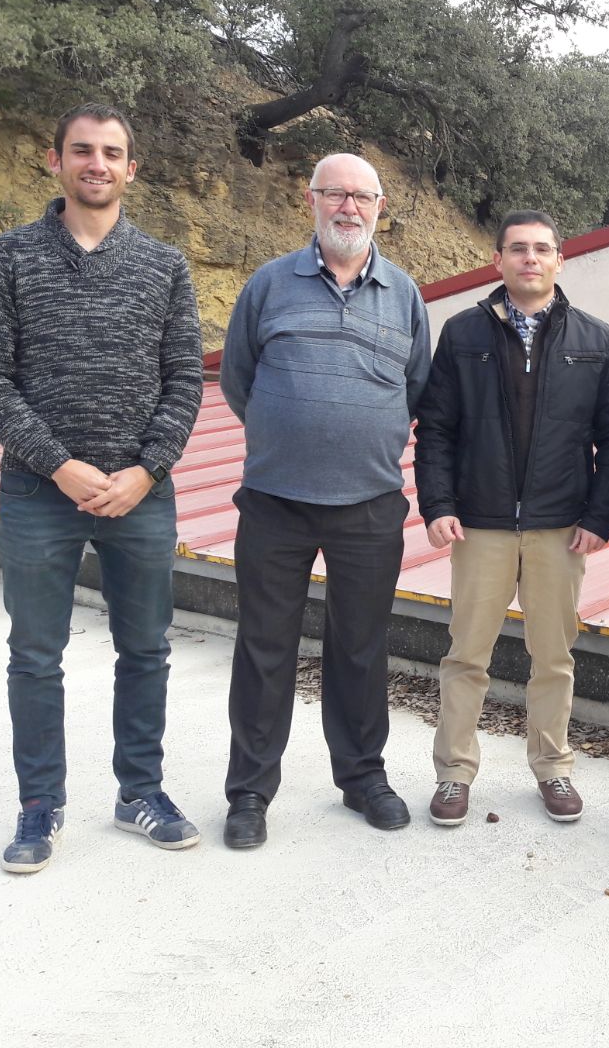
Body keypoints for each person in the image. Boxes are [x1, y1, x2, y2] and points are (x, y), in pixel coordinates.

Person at [0, 102, 204, 873]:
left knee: (146, 650)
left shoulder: (165, 266)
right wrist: (58, 465)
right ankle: (40, 804)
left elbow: (185, 380)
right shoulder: (7, 257)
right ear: (55, 160)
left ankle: (141, 792)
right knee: (36, 655)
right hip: (40, 494)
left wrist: (146, 470)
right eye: (82, 150)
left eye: (111, 153)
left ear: (132, 168)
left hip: (141, 495)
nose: (97, 163)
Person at [218, 153, 431, 848]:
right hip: (274, 500)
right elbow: (239, 381)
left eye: (361, 196)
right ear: (310, 200)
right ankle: (250, 792)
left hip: (369, 503)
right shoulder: (269, 284)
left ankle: (363, 777)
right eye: (334, 193)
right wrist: (291, 431)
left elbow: (416, 389)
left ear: (380, 207)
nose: (348, 207)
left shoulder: (404, 295)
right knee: (264, 647)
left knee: (361, 647)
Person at [415, 210, 609, 826]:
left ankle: (553, 766)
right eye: (517, 249)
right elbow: (436, 429)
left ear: (560, 259)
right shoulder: (462, 333)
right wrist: (438, 504)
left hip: (560, 528)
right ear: (498, 260)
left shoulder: (596, 339)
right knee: (466, 656)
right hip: (479, 524)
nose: (529, 259)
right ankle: (454, 774)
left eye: (541, 249)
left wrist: (600, 515)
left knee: (554, 658)